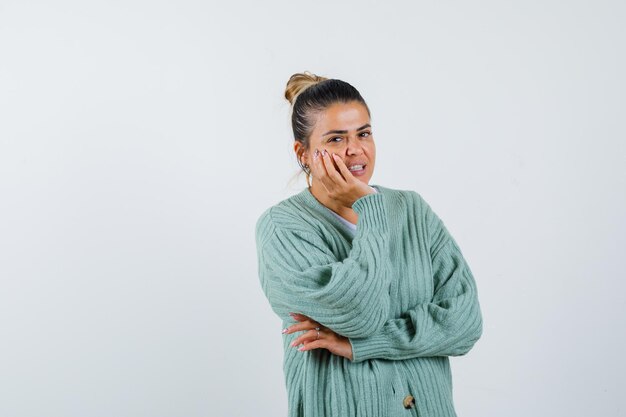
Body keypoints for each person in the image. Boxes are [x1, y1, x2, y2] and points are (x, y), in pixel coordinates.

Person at [255, 71, 483, 417]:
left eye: (364, 133)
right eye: (335, 139)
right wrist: (371, 208)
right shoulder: (282, 228)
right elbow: (359, 314)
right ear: (304, 153)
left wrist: (359, 345)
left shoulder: (412, 210)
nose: (355, 149)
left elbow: (464, 323)